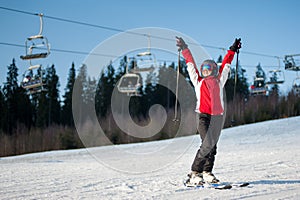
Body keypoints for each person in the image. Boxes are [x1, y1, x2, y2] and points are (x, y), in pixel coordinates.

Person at [176, 36, 241, 186]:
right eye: (203, 69)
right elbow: (190, 64)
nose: (205, 71)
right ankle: (194, 172)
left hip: (217, 117)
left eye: (208, 69)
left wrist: (232, 49)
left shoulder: (220, 80)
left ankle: (207, 172)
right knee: (207, 143)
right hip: (203, 116)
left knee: (213, 146)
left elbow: (226, 64)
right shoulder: (198, 81)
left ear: (214, 70)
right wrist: (185, 49)